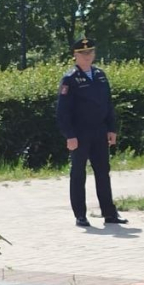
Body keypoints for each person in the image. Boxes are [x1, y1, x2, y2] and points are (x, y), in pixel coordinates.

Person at [56, 37, 127, 228]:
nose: (87, 56)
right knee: (78, 173)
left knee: (103, 172)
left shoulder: (100, 75)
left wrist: (111, 129)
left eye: (90, 53)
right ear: (75, 56)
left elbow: (108, 105)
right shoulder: (70, 78)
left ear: (94, 54)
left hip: (100, 131)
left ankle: (109, 213)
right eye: (83, 53)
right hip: (80, 133)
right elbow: (63, 111)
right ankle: (80, 215)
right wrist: (69, 135)